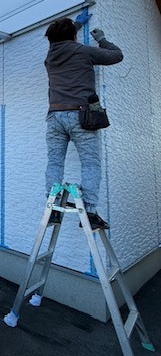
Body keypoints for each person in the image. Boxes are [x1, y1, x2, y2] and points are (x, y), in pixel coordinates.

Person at [44, 18, 123, 229]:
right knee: (90, 163)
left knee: (54, 163)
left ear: (51, 39)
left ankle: (52, 210)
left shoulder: (50, 56)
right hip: (80, 116)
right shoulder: (83, 51)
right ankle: (88, 213)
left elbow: (60, 40)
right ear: (73, 36)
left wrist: (75, 26)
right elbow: (117, 56)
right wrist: (102, 39)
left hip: (54, 117)